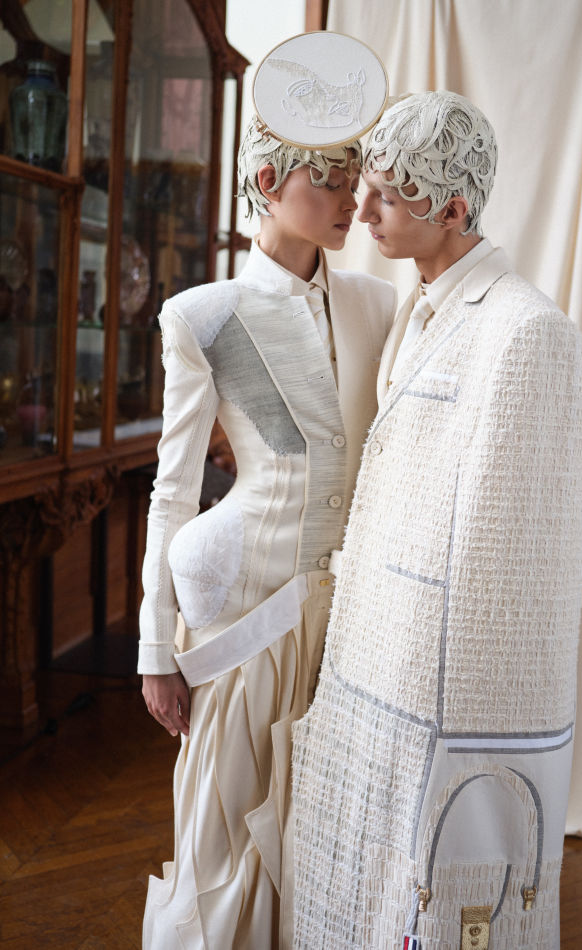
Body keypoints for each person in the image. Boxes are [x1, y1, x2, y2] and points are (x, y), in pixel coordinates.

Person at [290, 91, 582, 949]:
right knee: (354, 895)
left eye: (388, 196)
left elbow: (518, 554)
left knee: (430, 906)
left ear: (454, 210)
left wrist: (455, 722)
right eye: (365, 187)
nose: (363, 211)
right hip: (369, 659)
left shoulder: (528, 332)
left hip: (437, 688)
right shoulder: (413, 309)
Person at [137, 100, 396, 946]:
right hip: (243, 607)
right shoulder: (204, 314)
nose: (350, 199)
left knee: (323, 837)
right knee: (227, 831)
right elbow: (173, 491)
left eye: (353, 180)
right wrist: (154, 650)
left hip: (346, 613)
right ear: (266, 181)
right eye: (329, 180)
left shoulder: (377, 304)